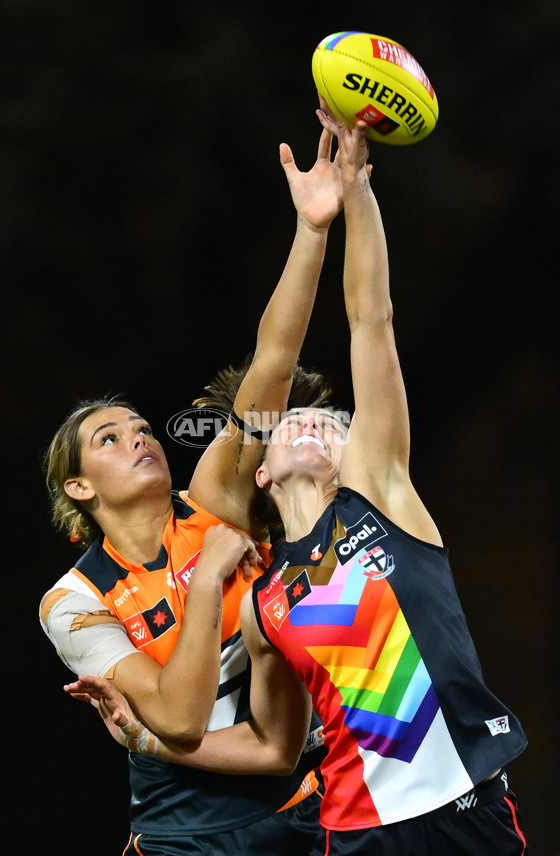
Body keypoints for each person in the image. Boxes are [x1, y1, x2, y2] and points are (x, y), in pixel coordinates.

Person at [72, 108, 530, 855]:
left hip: (469, 814)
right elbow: (270, 750)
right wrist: (149, 745)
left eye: (337, 424)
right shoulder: (264, 602)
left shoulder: (384, 501)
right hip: (354, 835)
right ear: (261, 467)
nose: (320, 423)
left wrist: (353, 196)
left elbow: (370, 320)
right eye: (295, 423)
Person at [40, 125, 351, 856]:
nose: (139, 437)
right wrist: (209, 577)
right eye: (109, 439)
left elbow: (273, 364)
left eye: (141, 426)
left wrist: (311, 231)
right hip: (188, 834)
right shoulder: (73, 604)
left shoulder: (211, 496)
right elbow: (178, 722)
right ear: (78, 486)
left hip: (308, 806)